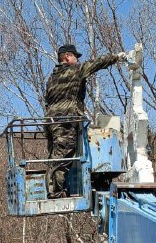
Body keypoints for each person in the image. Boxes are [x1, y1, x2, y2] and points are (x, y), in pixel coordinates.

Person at [44, 43, 127, 198]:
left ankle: (51, 187)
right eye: (75, 56)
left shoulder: (52, 77)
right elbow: (96, 64)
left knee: (54, 155)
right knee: (64, 154)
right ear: (67, 56)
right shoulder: (75, 71)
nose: (77, 59)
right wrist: (116, 57)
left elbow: (47, 100)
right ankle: (54, 192)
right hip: (65, 119)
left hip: (50, 121)